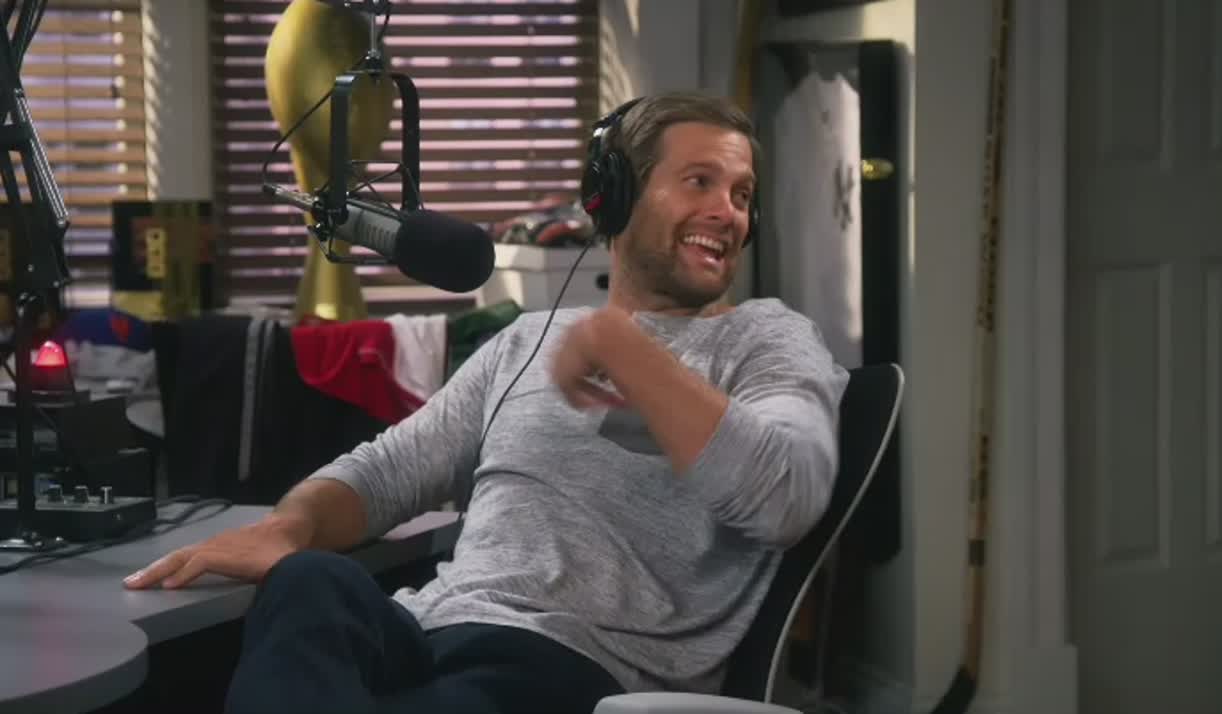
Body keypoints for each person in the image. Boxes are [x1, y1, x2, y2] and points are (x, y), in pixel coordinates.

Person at [124, 92, 850, 714]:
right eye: (700, 182)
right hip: (430, 628)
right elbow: (390, 468)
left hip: (571, 666)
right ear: (617, 195)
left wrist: (623, 347)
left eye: (742, 195)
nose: (727, 212)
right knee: (310, 580)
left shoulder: (767, 340)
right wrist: (290, 526)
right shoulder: (529, 340)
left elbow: (786, 496)